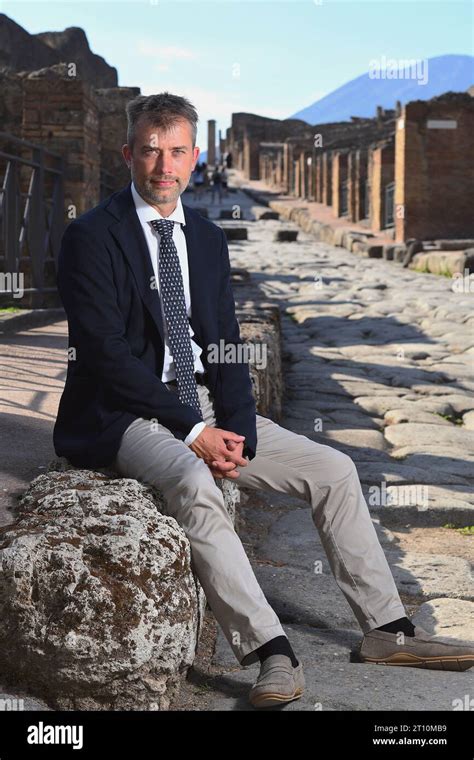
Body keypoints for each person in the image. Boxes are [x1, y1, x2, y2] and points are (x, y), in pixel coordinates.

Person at [53, 92, 474, 709]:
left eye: (175, 152)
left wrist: (240, 431)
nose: (162, 166)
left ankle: (386, 630)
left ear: (195, 157)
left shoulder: (205, 237)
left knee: (334, 469)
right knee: (195, 482)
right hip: (126, 411)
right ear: (129, 155)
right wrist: (196, 432)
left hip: (202, 403)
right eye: (150, 151)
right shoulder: (90, 236)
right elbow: (103, 355)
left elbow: (224, 344)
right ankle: (269, 652)